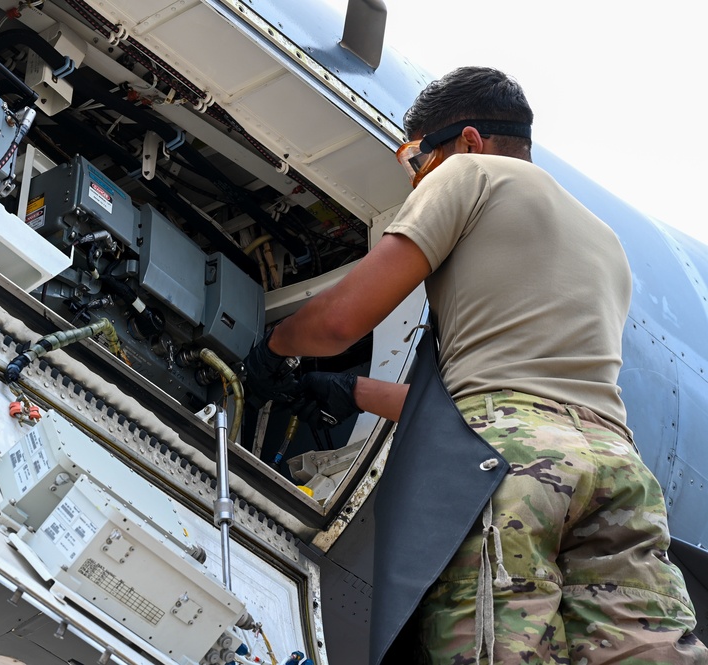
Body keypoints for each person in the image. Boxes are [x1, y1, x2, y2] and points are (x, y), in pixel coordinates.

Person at [243, 67, 707, 663]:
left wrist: (274, 348)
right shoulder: (603, 242)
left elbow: (340, 324)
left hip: (505, 468)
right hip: (618, 473)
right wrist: (353, 390)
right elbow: (516, 404)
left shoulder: (468, 173)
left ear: (466, 140)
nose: (415, 179)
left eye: (414, 158)